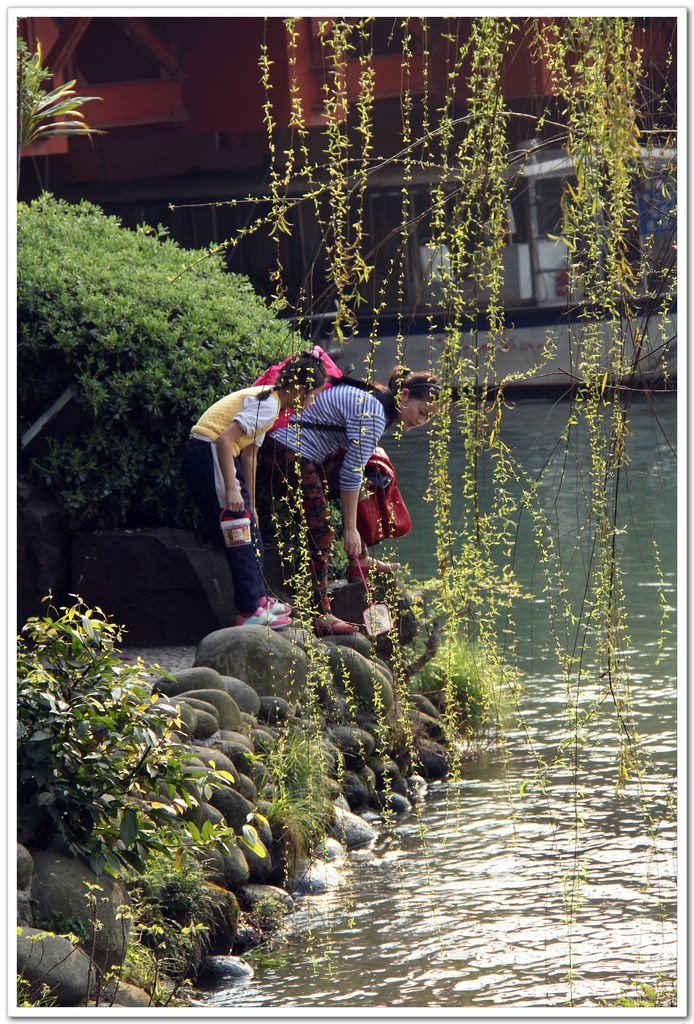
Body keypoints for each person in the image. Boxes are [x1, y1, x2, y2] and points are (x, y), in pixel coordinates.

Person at [259, 365, 441, 635]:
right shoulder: (375, 413)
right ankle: (321, 614)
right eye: (422, 412)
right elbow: (349, 474)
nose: (421, 421)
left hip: (303, 453)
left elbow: (356, 468)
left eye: (428, 418)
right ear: (403, 396)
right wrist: (349, 529)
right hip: (286, 452)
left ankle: (361, 561)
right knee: (321, 530)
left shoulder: (379, 401)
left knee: (374, 473)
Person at [183, 352, 327, 628]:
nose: (312, 402)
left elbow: (250, 455)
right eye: (313, 395)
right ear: (299, 389)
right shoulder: (268, 405)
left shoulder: (271, 403)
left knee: (250, 528)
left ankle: (260, 600)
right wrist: (232, 489)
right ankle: (249, 611)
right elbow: (225, 441)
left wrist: (253, 507)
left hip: (220, 455)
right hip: (209, 451)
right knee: (237, 531)